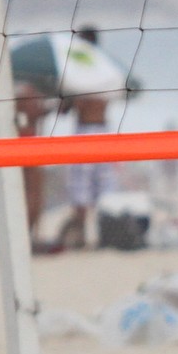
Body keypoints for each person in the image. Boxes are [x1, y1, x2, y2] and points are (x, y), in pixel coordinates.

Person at [55, 27, 116, 250]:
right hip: (104, 133)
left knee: (82, 192)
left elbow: (65, 108)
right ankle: (101, 237)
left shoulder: (78, 70)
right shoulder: (106, 67)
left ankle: (83, 237)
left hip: (85, 133)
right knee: (103, 191)